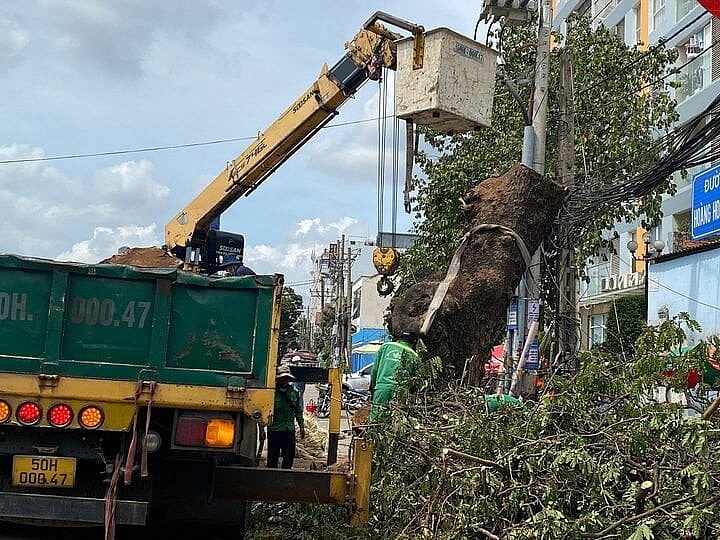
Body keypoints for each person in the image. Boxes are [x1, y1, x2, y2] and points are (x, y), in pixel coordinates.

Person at [369, 330, 420, 422]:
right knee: (397, 420)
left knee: (376, 419)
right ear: (414, 342)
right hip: (401, 392)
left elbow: (375, 370)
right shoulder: (414, 355)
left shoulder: (385, 347)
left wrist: (373, 390)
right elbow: (415, 381)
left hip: (382, 389)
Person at [263, 364, 305, 469]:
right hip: (274, 429)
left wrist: (302, 427)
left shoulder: (294, 393)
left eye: (286, 378)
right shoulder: (271, 393)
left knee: (289, 456)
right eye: (282, 378)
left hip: (289, 430)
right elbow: (264, 411)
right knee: (272, 457)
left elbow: (298, 411)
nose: (284, 380)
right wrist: (261, 430)